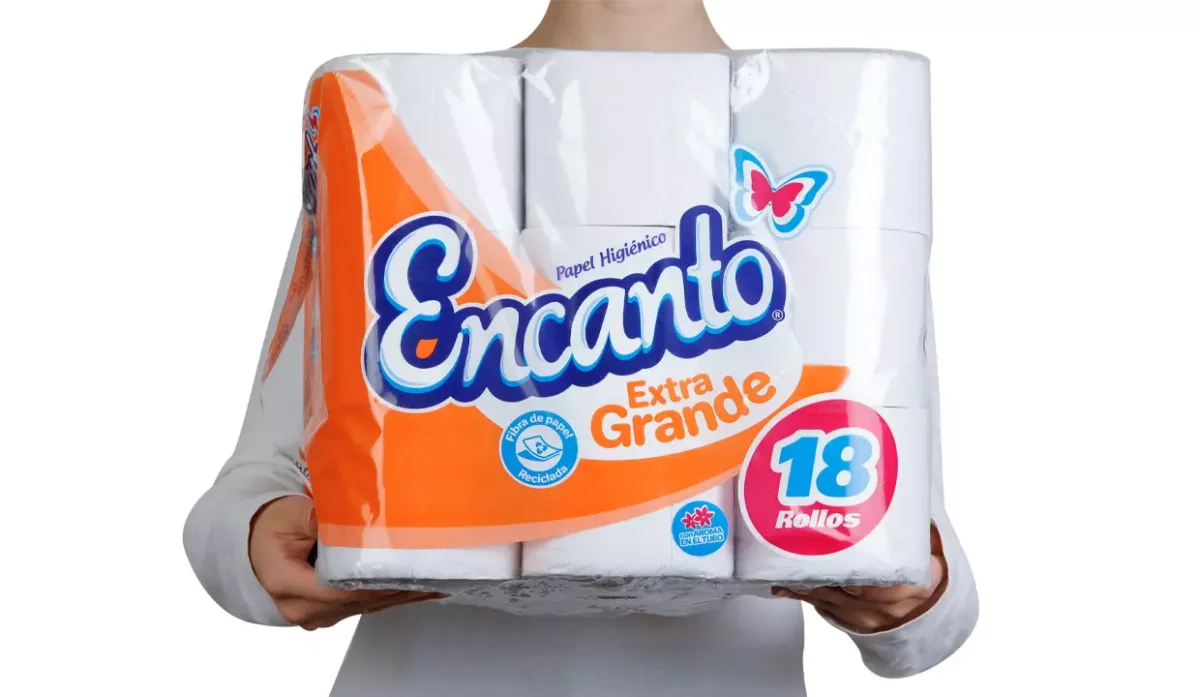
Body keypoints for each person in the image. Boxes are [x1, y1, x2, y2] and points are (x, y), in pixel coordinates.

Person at [183, 1, 978, 694]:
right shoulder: (413, 125)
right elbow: (249, 485)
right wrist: (255, 541)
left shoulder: (825, 143)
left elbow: (928, 566)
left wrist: (914, 598)